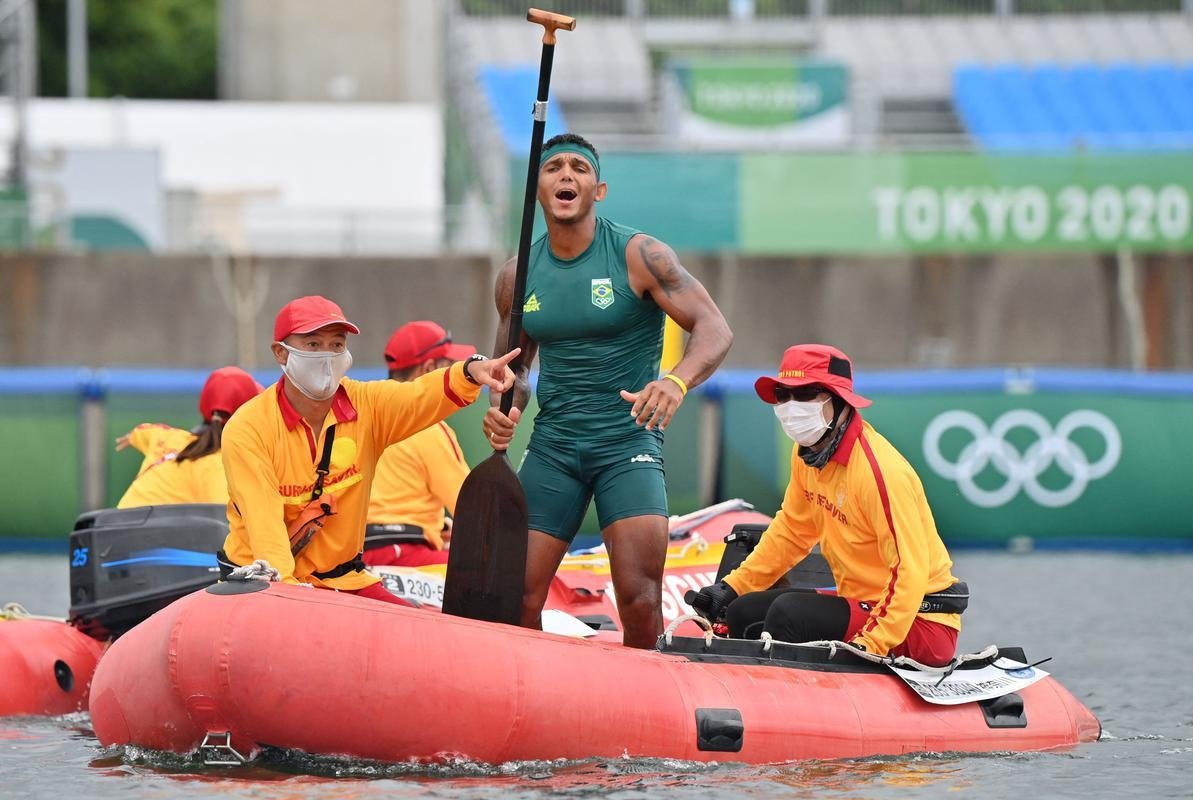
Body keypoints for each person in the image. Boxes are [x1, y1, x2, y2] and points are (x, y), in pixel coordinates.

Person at [483, 133, 733, 648]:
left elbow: (714, 328)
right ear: (539, 189)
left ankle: (648, 713)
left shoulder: (639, 254)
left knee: (639, 596)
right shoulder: (517, 276)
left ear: (598, 189)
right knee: (517, 596)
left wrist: (675, 380)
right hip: (554, 447)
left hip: (628, 443)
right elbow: (514, 370)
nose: (567, 175)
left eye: (579, 168)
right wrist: (503, 405)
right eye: (554, 168)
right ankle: (536, 707)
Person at [217, 295, 518, 605]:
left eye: (337, 344)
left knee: (420, 632)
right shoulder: (248, 428)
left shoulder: (367, 406)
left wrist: (470, 371)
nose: (328, 355)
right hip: (265, 587)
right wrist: (296, 604)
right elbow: (269, 540)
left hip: (344, 579)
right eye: (313, 344)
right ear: (281, 353)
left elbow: (418, 396)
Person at [688, 344, 964, 667]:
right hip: (862, 605)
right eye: (783, 394)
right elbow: (790, 534)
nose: (792, 406)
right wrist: (732, 588)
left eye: (806, 393)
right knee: (741, 612)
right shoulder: (805, 456)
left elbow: (909, 573)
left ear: (839, 399)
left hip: (921, 623)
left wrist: (870, 645)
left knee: (789, 615)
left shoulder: (880, 472)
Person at [363, 321, 476, 568]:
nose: (456, 372)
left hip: (350, 556)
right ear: (429, 369)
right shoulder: (430, 427)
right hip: (406, 556)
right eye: (450, 365)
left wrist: (439, 527)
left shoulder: (363, 411)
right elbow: (474, 509)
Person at [116, 367, 263, 509]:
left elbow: (144, 431)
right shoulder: (219, 466)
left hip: (109, 526)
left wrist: (131, 437)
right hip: (153, 531)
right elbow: (226, 522)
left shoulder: (165, 436)